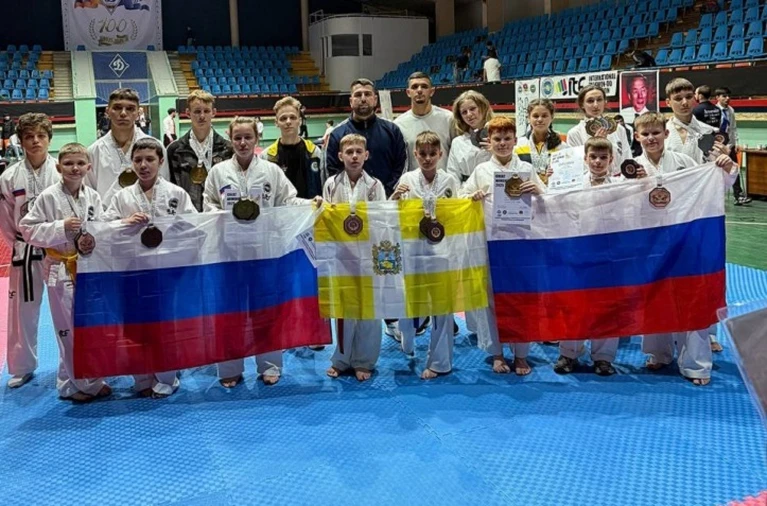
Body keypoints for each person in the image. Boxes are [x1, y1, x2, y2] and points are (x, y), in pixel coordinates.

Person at [203, 116, 322, 388]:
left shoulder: (271, 171)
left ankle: (270, 365)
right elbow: (207, 203)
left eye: (248, 137)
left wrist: (309, 203)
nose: (243, 143)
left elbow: (287, 200)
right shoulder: (218, 172)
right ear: (230, 139)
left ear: (257, 138)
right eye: (237, 138)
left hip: (265, 251)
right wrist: (220, 214)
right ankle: (230, 368)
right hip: (229, 253)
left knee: (267, 310)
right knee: (230, 312)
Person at [633, 112, 739, 385]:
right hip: (650, 242)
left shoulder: (684, 161)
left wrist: (726, 166)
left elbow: (713, 182)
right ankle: (659, 353)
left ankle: (696, 364)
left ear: (666, 134)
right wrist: (634, 184)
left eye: (656, 133)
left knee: (690, 297)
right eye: (645, 134)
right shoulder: (632, 167)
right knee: (654, 296)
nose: (651, 138)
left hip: (685, 238)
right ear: (637, 137)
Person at [102, 138, 195, 397]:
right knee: (134, 325)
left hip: (167, 270)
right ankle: (142, 377)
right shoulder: (121, 196)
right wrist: (123, 223)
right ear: (131, 163)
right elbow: (104, 228)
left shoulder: (177, 194)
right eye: (138, 160)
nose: (143, 165)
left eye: (150, 159)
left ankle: (167, 378)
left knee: (165, 325)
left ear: (161, 162)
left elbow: (193, 228)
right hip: (132, 270)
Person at [18, 143, 111, 402]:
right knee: (68, 329)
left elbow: (102, 226)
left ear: (89, 167)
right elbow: (26, 228)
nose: (74, 168)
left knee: (87, 326)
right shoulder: (48, 197)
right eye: (68, 163)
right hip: (60, 269)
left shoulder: (93, 196)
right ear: (59, 167)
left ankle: (70, 383)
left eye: (80, 163)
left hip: (88, 269)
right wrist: (60, 227)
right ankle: (85, 384)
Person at [459, 116, 544, 376]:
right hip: (490, 242)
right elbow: (462, 197)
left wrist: (538, 191)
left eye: (507, 138)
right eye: (497, 139)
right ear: (490, 142)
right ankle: (496, 353)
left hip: (521, 242)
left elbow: (547, 200)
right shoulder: (481, 170)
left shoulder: (527, 169)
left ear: (515, 140)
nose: (503, 143)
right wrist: (472, 197)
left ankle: (521, 354)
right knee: (491, 297)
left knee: (521, 297)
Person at [553, 137, 625, 376]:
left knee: (607, 306)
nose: (597, 162)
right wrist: (548, 183)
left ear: (611, 160)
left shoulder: (621, 186)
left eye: (603, 157)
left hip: (609, 254)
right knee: (573, 304)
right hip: (577, 252)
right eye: (593, 157)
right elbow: (553, 205)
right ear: (584, 158)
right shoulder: (571, 183)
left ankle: (603, 357)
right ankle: (568, 353)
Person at [390, 131, 459, 379]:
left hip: (442, 253)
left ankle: (440, 362)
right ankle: (406, 334)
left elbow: (458, 213)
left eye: (432, 154)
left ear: (440, 154)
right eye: (422, 154)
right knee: (410, 304)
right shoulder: (407, 179)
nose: (427, 158)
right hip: (413, 252)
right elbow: (393, 215)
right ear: (415, 154)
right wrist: (394, 199)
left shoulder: (450, 181)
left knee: (442, 308)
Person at [0, 113, 60, 389]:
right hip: (24, 251)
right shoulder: (9, 176)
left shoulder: (61, 170)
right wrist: (18, 244)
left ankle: (71, 364)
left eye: (41, 136)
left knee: (65, 309)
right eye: (29, 136)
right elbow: (4, 219)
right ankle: (22, 366)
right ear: (21, 141)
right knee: (22, 309)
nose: (35, 141)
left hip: (58, 250)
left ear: (49, 139)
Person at [324, 134, 386, 382]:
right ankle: (341, 359)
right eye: (349, 152)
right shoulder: (331, 184)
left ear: (366, 155)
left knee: (368, 310)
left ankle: (364, 360)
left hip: (368, 254)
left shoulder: (375, 186)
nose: (354, 156)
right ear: (340, 156)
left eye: (359, 151)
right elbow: (326, 219)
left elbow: (382, 219)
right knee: (343, 310)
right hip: (341, 256)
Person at [86, 88, 170, 208]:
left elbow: (164, 186)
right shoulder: (94, 151)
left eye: (130, 109)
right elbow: (89, 194)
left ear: (138, 113)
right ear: (108, 111)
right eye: (117, 108)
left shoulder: (156, 147)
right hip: (107, 216)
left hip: (146, 215)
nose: (123, 113)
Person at [325, 78, 408, 197]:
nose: (363, 99)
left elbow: (401, 165)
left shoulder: (393, 131)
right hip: (349, 203)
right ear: (351, 101)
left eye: (367, 94)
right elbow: (332, 170)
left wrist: (385, 193)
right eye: (358, 95)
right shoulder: (337, 134)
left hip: (388, 200)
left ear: (375, 100)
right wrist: (350, 195)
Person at [167, 90, 233, 211]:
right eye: (197, 111)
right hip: (188, 215)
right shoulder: (175, 150)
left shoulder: (227, 149)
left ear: (213, 112)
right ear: (188, 113)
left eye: (206, 111)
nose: (202, 116)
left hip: (218, 214)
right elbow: (170, 187)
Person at [260, 97, 326, 200]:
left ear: (300, 121)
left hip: (310, 208)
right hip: (280, 209)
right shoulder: (266, 156)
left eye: (293, 117)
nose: (288, 122)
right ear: (276, 122)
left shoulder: (315, 152)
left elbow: (324, 186)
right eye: (283, 118)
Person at [394, 72, 453, 173]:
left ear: (432, 91)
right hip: (413, 181)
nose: (419, 90)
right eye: (415, 87)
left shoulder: (448, 118)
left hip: (444, 180)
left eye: (424, 86)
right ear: (408, 92)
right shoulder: (398, 124)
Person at [567, 85, 632, 175]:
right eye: (590, 101)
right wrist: (595, 145)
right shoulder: (574, 134)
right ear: (582, 104)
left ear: (605, 102)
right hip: (590, 181)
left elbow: (627, 158)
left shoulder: (619, 129)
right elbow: (577, 167)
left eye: (599, 100)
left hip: (619, 180)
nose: (596, 105)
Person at [514, 98, 570, 186]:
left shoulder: (562, 147)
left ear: (552, 117)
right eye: (535, 116)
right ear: (528, 118)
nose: (540, 119)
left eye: (544, 116)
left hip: (553, 192)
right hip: (526, 192)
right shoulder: (518, 145)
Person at [446, 90, 494, 183]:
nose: (469, 114)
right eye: (464, 112)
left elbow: (511, 164)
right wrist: (461, 192)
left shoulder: (499, 137)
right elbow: (453, 174)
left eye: (472, 109)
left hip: (493, 187)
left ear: (483, 107)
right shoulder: (458, 142)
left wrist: (495, 152)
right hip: (466, 189)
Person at [716, 87, 751, 206]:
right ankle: (716, 196)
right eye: (724, 96)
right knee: (717, 171)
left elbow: (733, 127)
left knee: (734, 169)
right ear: (718, 97)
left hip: (729, 145)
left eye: (728, 96)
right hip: (718, 146)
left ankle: (738, 195)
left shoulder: (731, 110)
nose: (727, 98)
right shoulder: (714, 111)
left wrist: (735, 143)